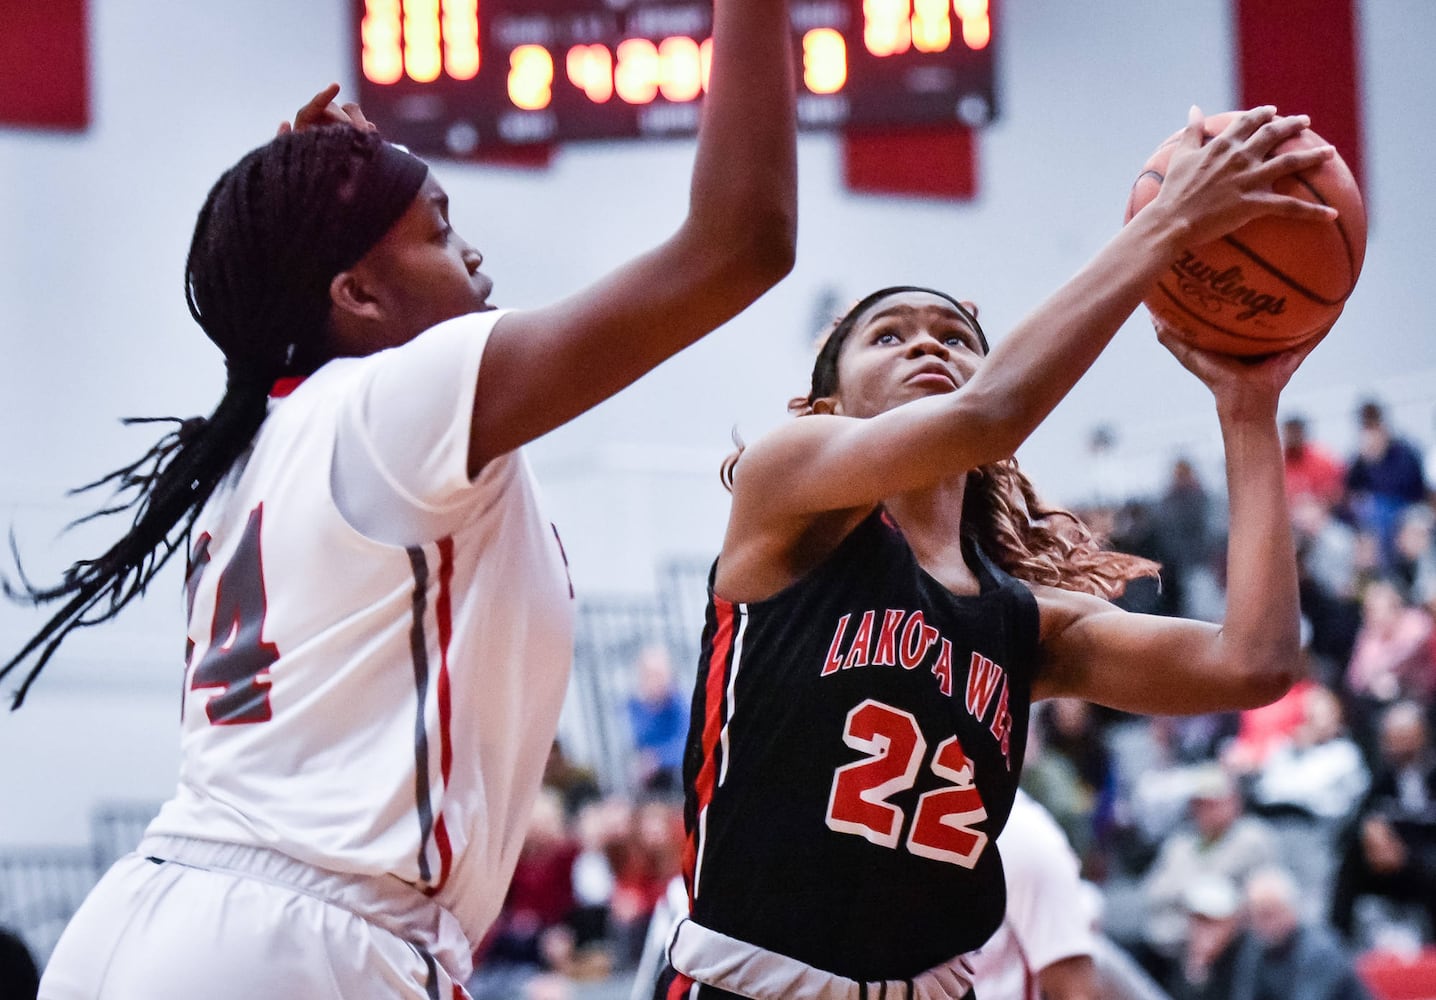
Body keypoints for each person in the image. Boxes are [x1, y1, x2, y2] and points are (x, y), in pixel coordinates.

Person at [3, 0, 797, 992]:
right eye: (438, 231)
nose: (472, 255)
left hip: (144, 925)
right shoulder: (398, 403)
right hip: (303, 947)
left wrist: (307, 203)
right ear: (357, 295)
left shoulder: (259, 443)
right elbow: (742, 241)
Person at [657, 107, 1339, 1000]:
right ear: (823, 410)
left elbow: (1254, 662)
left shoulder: (1022, 624)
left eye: (955, 338)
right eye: (890, 335)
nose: (929, 343)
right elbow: (991, 414)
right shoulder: (786, 492)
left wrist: (1248, 411)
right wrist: (1170, 224)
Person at [1330, 700, 1436, 945]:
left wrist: (1409, 857)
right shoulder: (1382, 780)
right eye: (1390, 737)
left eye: (1402, 736)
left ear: (1422, 735)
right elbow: (1352, 826)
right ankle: (1340, 945)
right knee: (1350, 860)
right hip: (1386, 866)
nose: (1394, 745)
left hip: (1426, 863)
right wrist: (1368, 831)